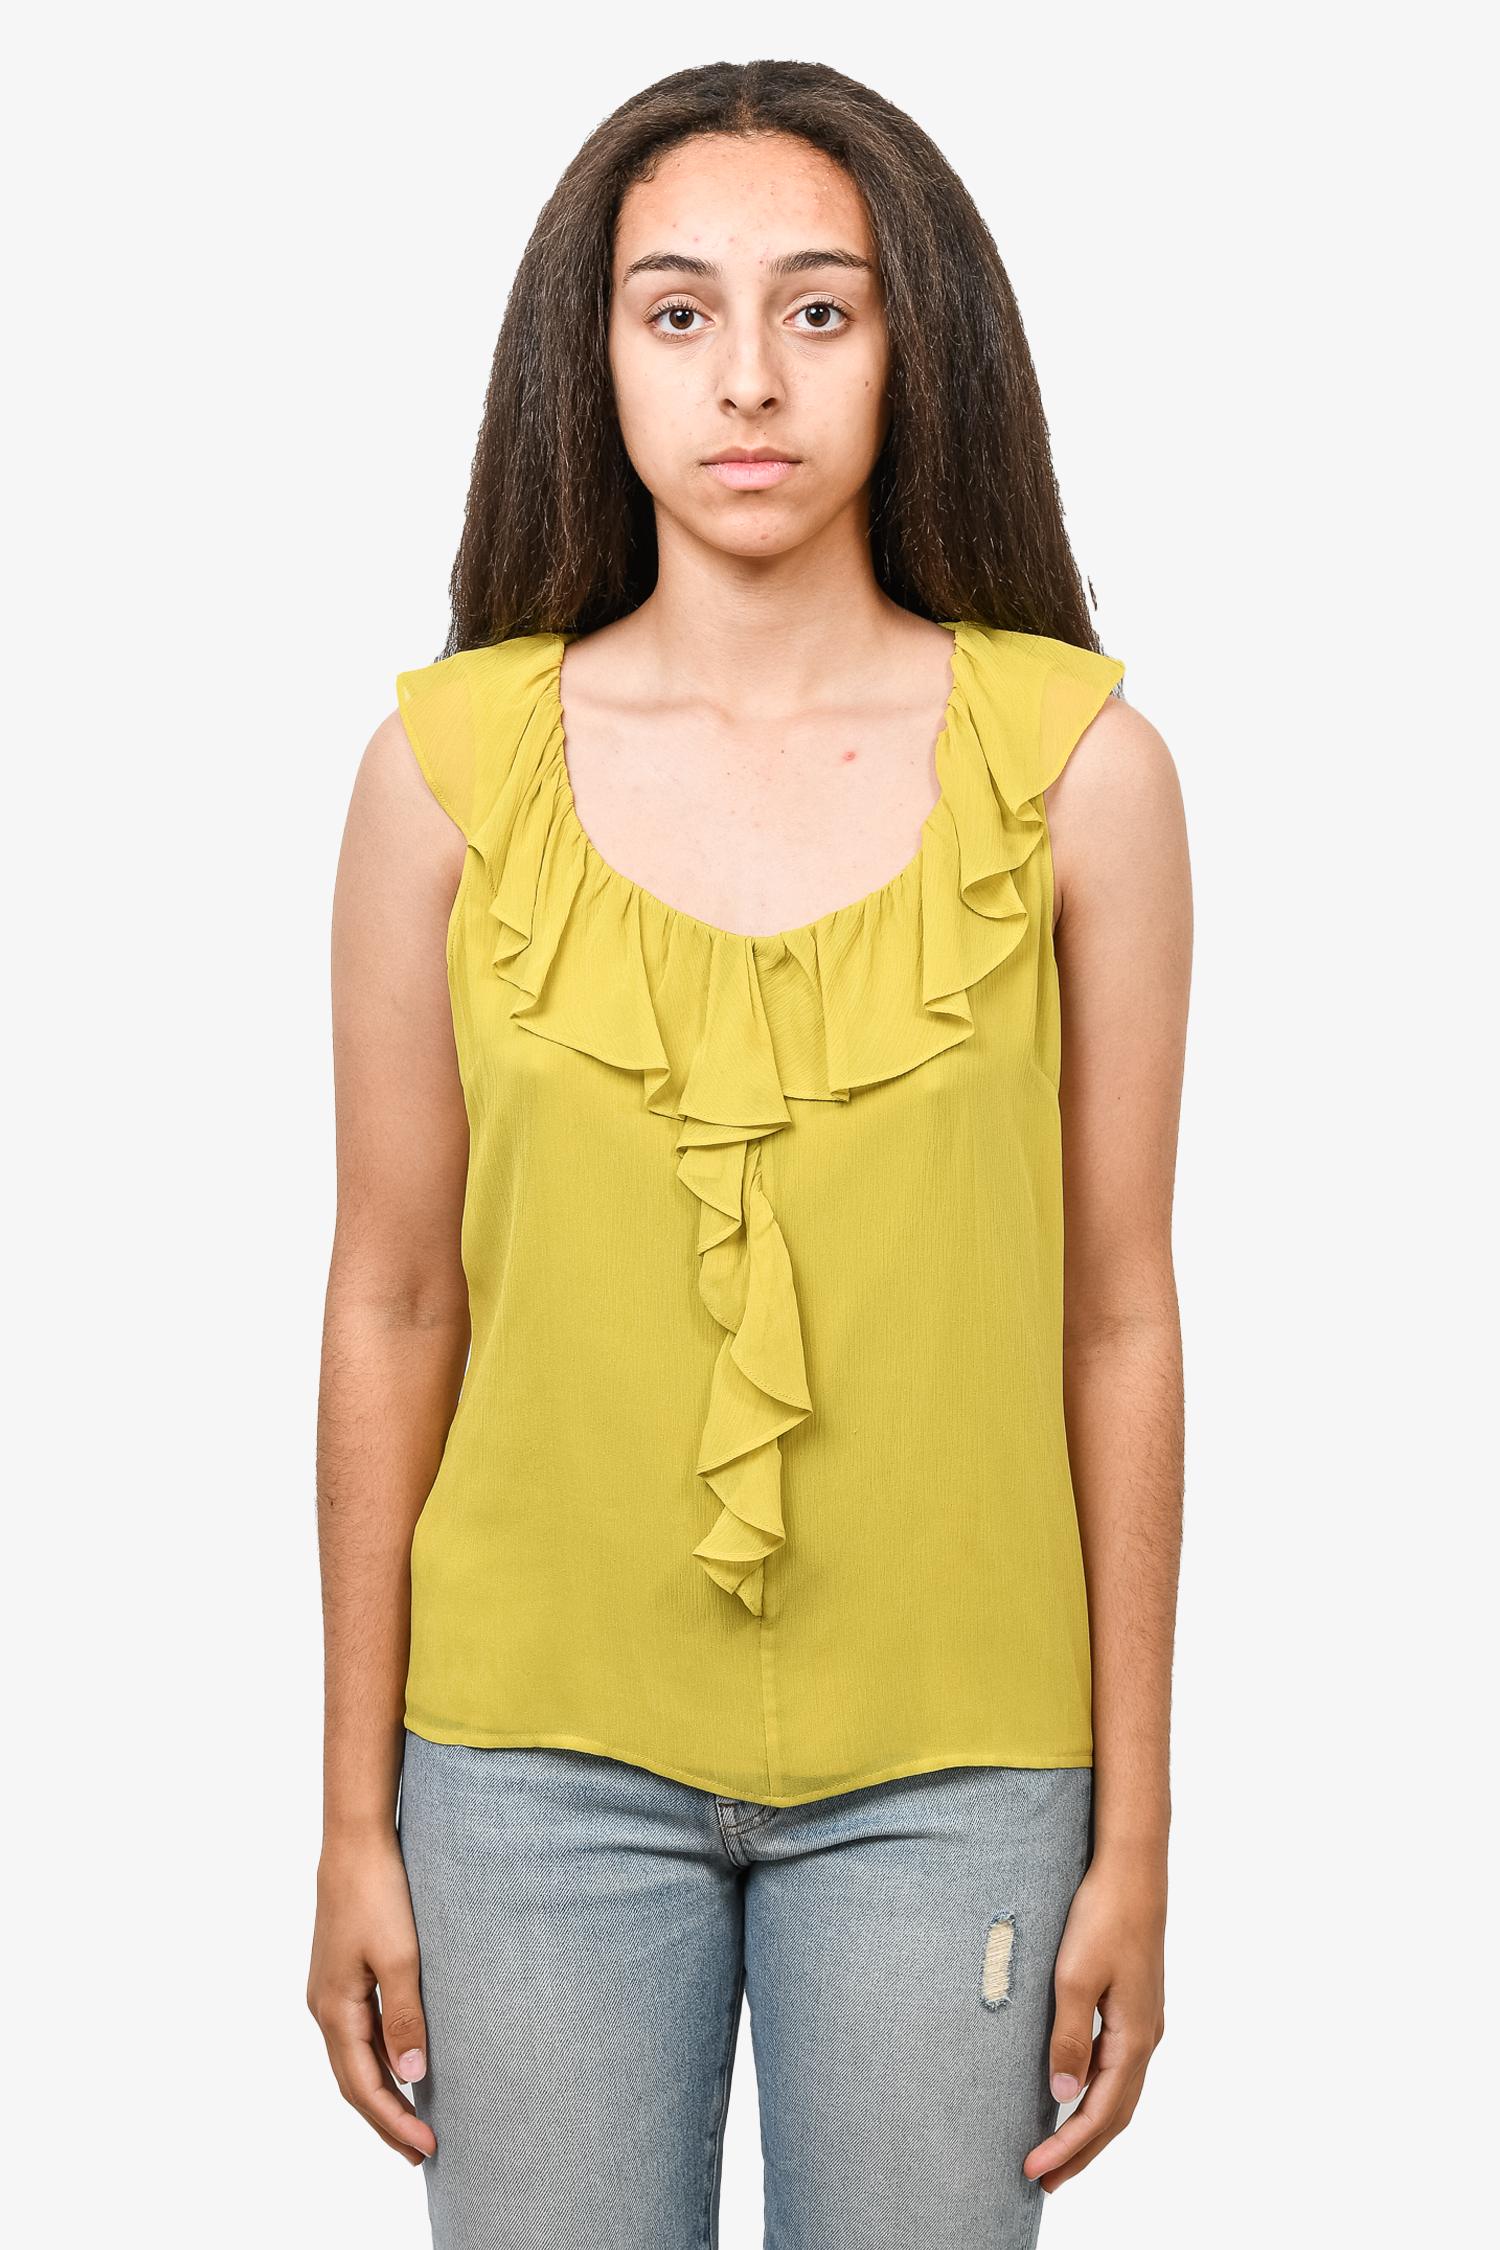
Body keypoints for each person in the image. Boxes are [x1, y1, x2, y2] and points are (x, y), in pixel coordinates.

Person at [307, 57, 1192, 2250]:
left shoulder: (1084, 776)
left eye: (820, 307)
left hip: (961, 1767)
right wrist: (352, 1817)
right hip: (520, 1768)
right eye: (678, 310)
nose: (749, 381)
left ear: (915, 344)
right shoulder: (442, 776)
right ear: (593, 355)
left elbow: (1118, 1318)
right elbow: (394, 1299)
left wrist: (1138, 1835)